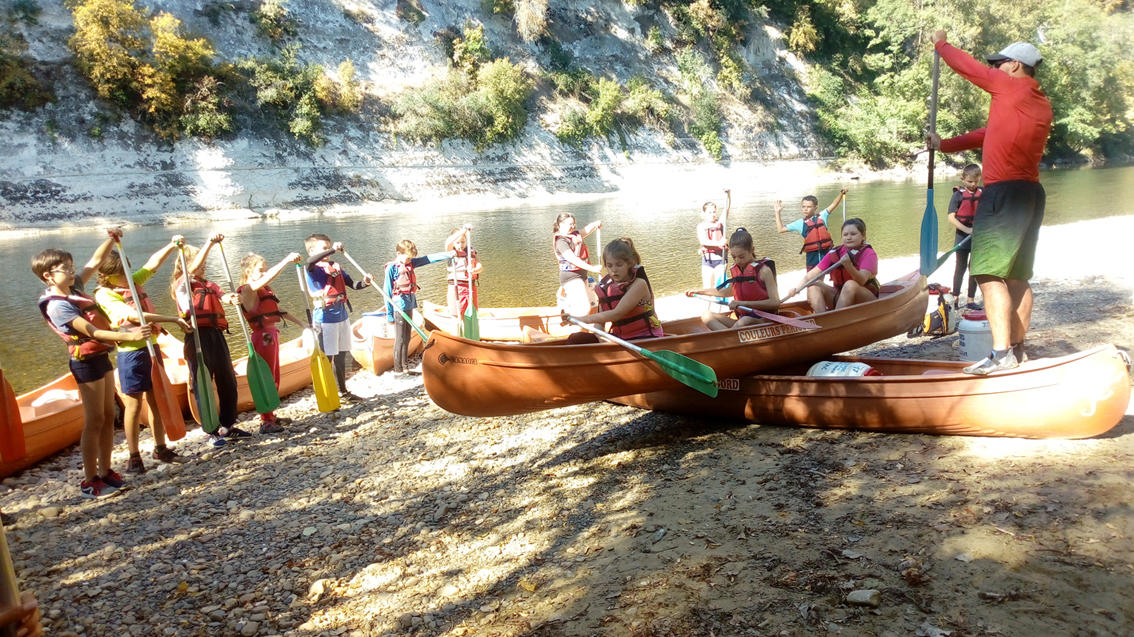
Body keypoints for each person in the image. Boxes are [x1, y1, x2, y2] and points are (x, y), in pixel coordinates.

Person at [927, 32, 1053, 375]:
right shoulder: (1037, 102)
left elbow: (970, 69)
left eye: (998, 64)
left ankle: (1000, 355)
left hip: (1004, 193)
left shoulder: (1014, 87)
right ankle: (1016, 349)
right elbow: (988, 133)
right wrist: (945, 144)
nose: (993, 69)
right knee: (1016, 276)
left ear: (1015, 65)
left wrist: (941, 45)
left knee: (986, 271)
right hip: (1030, 194)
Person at [32, 231, 151, 498]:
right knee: (94, 419)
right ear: (48, 276)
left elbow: (96, 261)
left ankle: (107, 471)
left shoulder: (74, 288)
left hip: (100, 357)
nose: (72, 271)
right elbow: (91, 331)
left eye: (72, 265)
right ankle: (90, 480)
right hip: (85, 362)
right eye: (65, 268)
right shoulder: (56, 306)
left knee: (109, 416)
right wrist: (127, 336)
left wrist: (111, 238)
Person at [94, 235, 191, 473]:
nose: (127, 275)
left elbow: (153, 264)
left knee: (156, 400)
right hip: (131, 354)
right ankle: (134, 456)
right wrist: (171, 319)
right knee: (134, 406)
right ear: (106, 276)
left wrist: (171, 244)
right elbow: (135, 316)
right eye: (121, 272)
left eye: (128, 268)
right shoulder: (104, 294)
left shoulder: (132, 282)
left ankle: (160, 447)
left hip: (152, 348)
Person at [171, 235, 245, 442]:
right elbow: (190, 271)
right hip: (196, 337)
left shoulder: (209, 285)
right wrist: (210, 244)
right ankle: (211, 430)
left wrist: (232, 298)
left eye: (204, 263)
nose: (202, 267)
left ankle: (228, 425)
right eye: (199, 263)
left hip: (215, 334)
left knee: (227, 379)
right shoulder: (182, 284)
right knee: (203, 382)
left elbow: (223, 296)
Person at [238, 251, 308, 432]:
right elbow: (268, 278)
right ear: (248, 272)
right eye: (260, 271)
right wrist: (285, 260)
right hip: (262, 337)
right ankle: (265, 421)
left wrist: (302, 323)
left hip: (271, 335)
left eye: (265, 270)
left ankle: (271, 416)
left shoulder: (264, 289)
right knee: (267, 377)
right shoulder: (247, 289)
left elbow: (278, 309)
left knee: (274, 376)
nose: (264, 274)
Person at [304, 234, 372, 402]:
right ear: (313, 250)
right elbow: (309, 262)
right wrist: (333, 249)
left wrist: (366, 282)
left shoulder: (335, 267)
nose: (328, 250)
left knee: (342, 355)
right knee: (327, 357)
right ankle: (327, 393)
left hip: (342, 316)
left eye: (329, 246)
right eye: (324, 247)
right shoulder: (313, 268)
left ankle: (343, 391)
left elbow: (353, 285)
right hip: (325, 318)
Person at [565, 237, 665, 344]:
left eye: (619, 265)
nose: (614, 270)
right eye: (609, 265)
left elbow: (617, 314)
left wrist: (581, 319)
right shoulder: (606, 287)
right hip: (621, 338)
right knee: (575, 339)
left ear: (630, 263)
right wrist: (600, 337)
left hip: (644, 337)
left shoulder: (639, 284)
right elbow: (600, 320)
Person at [684, 228, 779, 330]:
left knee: (745, 321)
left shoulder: (764, 271)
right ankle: (730, 337)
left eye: (741, 257)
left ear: (752, 250)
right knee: (707, 316)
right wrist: (699, 291)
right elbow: (726, 292)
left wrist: (742, 303)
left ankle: (728, 338)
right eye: (734, 257)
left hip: (763, 320)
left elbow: (775, 302)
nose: (737, 261)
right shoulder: (737, 269)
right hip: (742, 320)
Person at [384, 240, 452, 375]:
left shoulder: (411, 263)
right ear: (399, 253)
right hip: (399, 308)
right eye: (407, 257)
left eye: (411, 258)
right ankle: (398, 370)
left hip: (409, 305)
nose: (409, 260)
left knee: (407, 337)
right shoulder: (392, 268)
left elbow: (429, 259)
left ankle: (405, 367)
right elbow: (386, 292)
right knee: (400, 338)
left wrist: (449, 254)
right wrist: (390, 315)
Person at [784, 218, 879, 314]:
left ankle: (835, 318)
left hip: (865, 299)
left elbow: (862, 280)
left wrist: (849, 266)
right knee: (814, 283)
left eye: (853, 234)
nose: (849, 237)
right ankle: (822, 318)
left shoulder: (869, 254)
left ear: (863, 236)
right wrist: (797, 289)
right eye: (845, 234)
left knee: (850, 284)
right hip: (841, 298)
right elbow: (811, 275)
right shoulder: (835, 252)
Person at [774, 188, 847, 269]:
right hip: (812, 258)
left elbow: (834, 204)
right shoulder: (800, 223)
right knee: (814, 280)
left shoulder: (822, 216)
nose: (805, 209)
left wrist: (841, 194)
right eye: (803, 206)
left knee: (836, 275)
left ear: (815, 207)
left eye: (808, 207)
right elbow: (781, 229)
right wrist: (777, 213)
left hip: (827, 254)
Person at [552, 213, 602, 317]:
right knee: (584, 308)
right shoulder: (561, 241)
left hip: (582, 276)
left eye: (574, 224)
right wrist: (592, 268)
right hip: (571, 277)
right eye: (570, 224)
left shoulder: (574, 235)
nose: (573, 226)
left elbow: (584, 231)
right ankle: (566, 312)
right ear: (560, 224)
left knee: (593, 305)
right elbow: (572, 259)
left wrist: (595, 224)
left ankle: (584, 329)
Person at [947, 164, 982, 309]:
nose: (973, 185)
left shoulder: (983, 193)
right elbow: (951, 217)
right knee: (960, 267)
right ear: (963, 180)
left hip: (978, 237)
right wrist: (967, 230)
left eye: (976, 181)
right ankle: (955, 298)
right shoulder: (958, 195)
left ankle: (970, 300)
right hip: (962, 236)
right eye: (970, 182)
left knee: (974, 268)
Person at [696, 189, 731, 313]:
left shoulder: (720, 224)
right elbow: (704, 242)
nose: (713, 214)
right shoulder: (701, 227)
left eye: (714, 212)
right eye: (710, 212)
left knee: (719, 288)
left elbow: (726, 209)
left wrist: (728, 195)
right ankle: (707, 312)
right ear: (704, 214)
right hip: (707, 261)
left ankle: (721, 312)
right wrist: (718, 243)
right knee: (707, 289)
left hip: (720, 261)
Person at [444, 226, 482, 317]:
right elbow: (447, 243)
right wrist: (463, 231)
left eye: (463, 242)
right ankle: (458, 330)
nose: (460, 245)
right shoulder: (450, 251)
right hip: (456, 287)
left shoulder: (470, 252)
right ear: (453, 243)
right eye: (457, 242)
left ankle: (469, 330)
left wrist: (475, 269)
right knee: (457, 315)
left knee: (471, 315)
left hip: (470, 287)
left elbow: (480, 266)